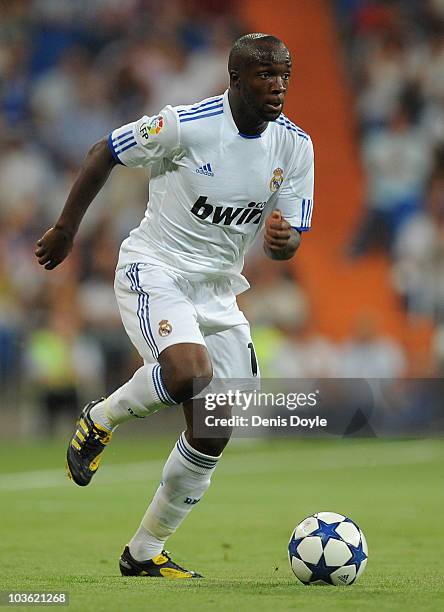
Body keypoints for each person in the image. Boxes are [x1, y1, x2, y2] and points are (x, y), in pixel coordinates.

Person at [35, 33, 314, 578]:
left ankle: (143, 552)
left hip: (219, 292)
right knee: (189, 371)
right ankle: (101, 417)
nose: (277, 86)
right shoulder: (185, 124)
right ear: (235, 79)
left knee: (213, 428)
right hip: (155, 270)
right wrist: (67, 229)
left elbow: (292, 231)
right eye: (264, 75)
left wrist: (286, 242)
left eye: (284, 74)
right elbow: (104, 152)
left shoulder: (295, 145)